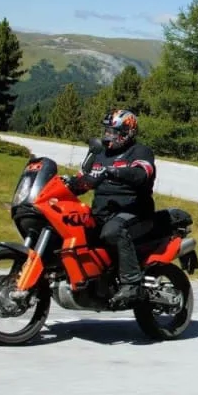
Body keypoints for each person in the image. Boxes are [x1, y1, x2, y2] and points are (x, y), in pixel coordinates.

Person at [66, 109, 157, 306]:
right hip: (102, 212)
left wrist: (116, 172)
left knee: (113, 231)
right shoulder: (99, 154)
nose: (109, 136)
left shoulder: (140, 151)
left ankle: (131, 283)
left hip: (135, 211)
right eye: (107, 131)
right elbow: (83, 179)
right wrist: (68, 184)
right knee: (73, 227)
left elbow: (143, 173)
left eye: (114, 132)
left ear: (128, 133)